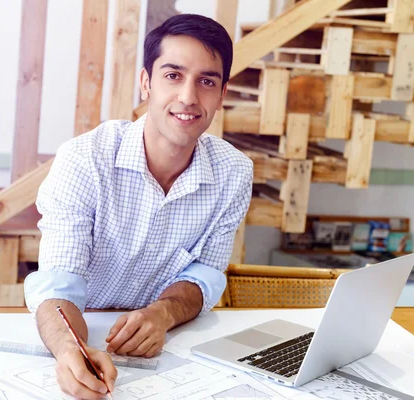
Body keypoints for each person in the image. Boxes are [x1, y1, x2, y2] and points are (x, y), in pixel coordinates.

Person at [24, 13, 253, 400]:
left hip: (167, 348)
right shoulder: (84, 160)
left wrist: (163, 313)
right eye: (173, 75)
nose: (188, 97)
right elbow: (57, 285)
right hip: (81, 334)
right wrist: (69, 351)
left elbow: (207, 275)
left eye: (207, 81)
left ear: (222, 93)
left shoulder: (234, 173)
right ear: (146, 83)